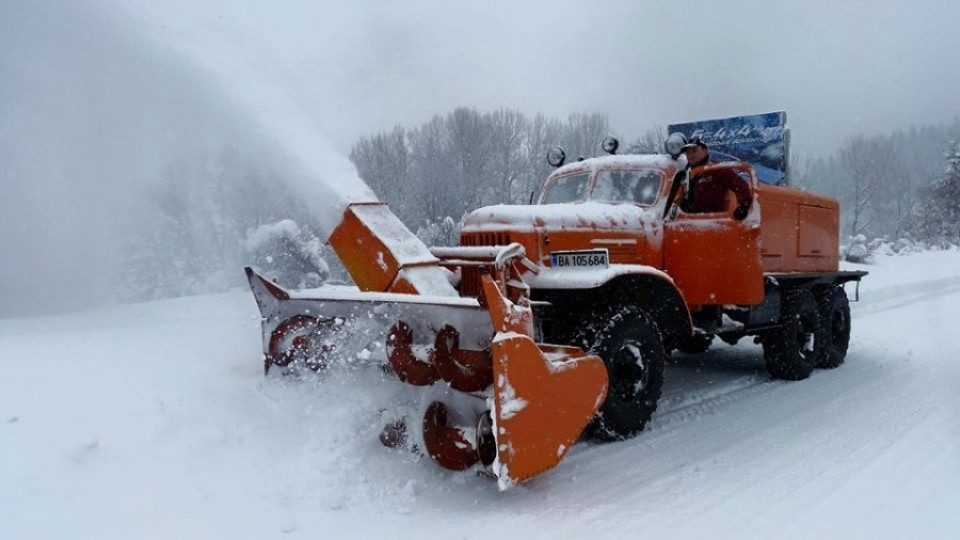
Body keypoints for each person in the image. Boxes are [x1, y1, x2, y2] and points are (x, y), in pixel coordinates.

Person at [680, 137, 752, 219]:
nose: (691, 155)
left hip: (712, 221)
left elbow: (740, 185)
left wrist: (743, 207)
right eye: (688, 152)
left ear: (705, 151)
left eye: (694, 151)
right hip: (688, 219)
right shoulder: (684, 172)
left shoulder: (718, 169)